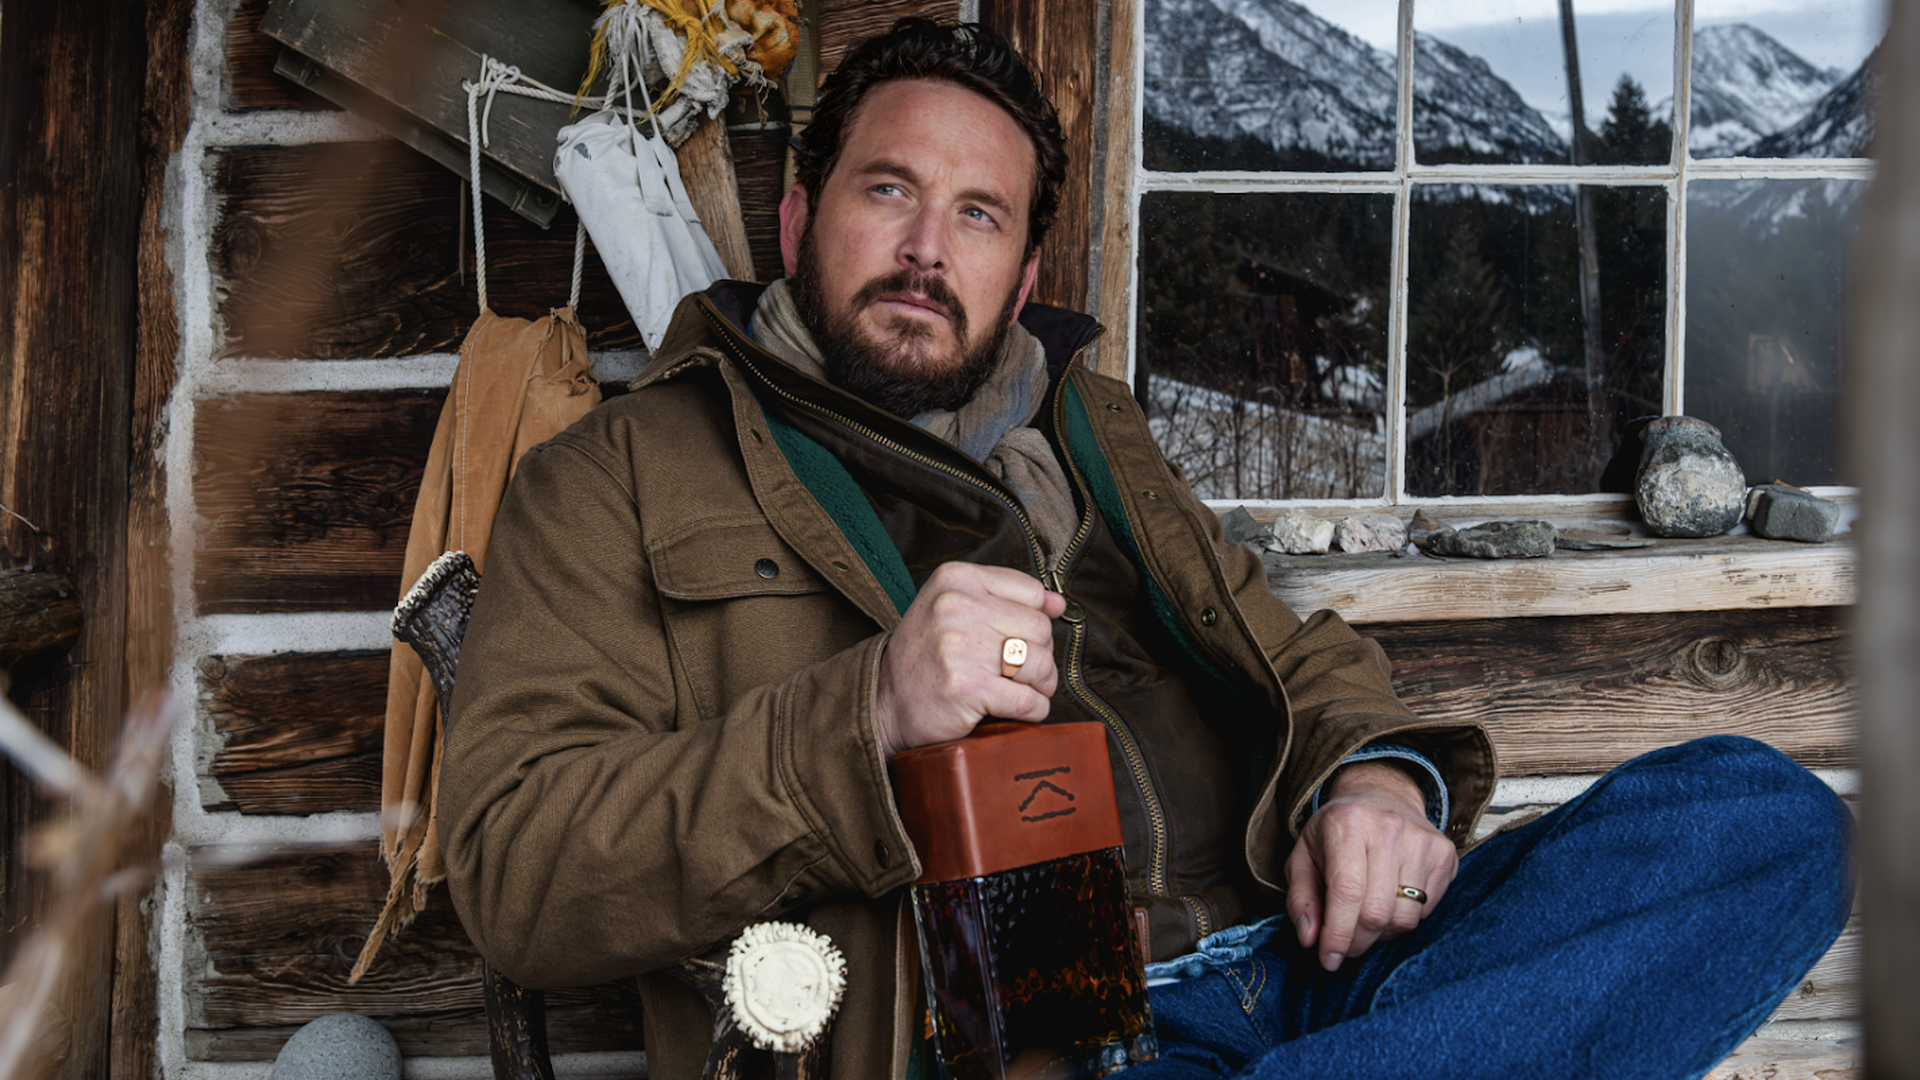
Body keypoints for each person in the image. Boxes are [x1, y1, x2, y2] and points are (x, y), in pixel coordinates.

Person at [439, 19, 1851, 1080]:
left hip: (1316, 972)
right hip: (1041, 1036)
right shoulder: (617, 477)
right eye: (889, 193)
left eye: (978, 215)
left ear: (1025, 274)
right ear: (803, 218)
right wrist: (861, 717)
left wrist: (1374, 780)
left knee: (1760, 819)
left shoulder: (1092, 429)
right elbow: (518, 879)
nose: (931, 248)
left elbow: (1303, 656)